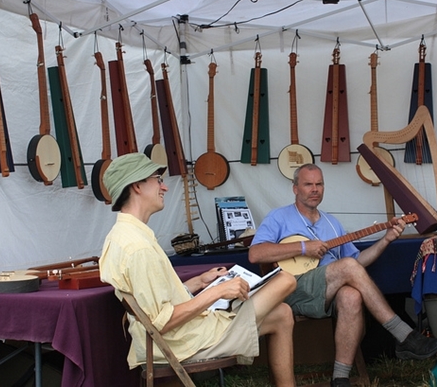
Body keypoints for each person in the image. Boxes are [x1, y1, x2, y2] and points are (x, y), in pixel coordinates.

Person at [99, 153, 297, 386]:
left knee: (282, 314)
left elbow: (151, 301)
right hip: (182, 342)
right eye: (157, 179)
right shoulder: (138, 247)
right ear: (137, 186)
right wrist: (218, 291)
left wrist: (199, 282)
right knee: (286, 279)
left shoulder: (122, 236)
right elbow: (161, 322)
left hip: (177, 337)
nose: (165, 187)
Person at [249, 163, 437, 387]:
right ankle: (404, 336)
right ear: (295, 188)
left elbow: (357, 264)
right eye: (308, 184)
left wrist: (386, 239)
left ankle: (340, 378)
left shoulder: (332, 223)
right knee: (347, 268)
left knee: (351, 295)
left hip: (326, 292)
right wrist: (304, 248)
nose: (315, 189)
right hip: (294, 289)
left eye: (319, 184)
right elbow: (255, 254)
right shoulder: (279, 217)